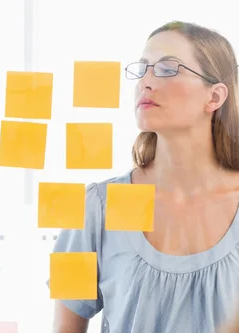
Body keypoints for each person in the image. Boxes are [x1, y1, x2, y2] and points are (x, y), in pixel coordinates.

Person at [48, 21, 239, 333]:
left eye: (167, 69)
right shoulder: (93, 208)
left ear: (215, 97)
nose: (146, 82)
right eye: (143, 68)